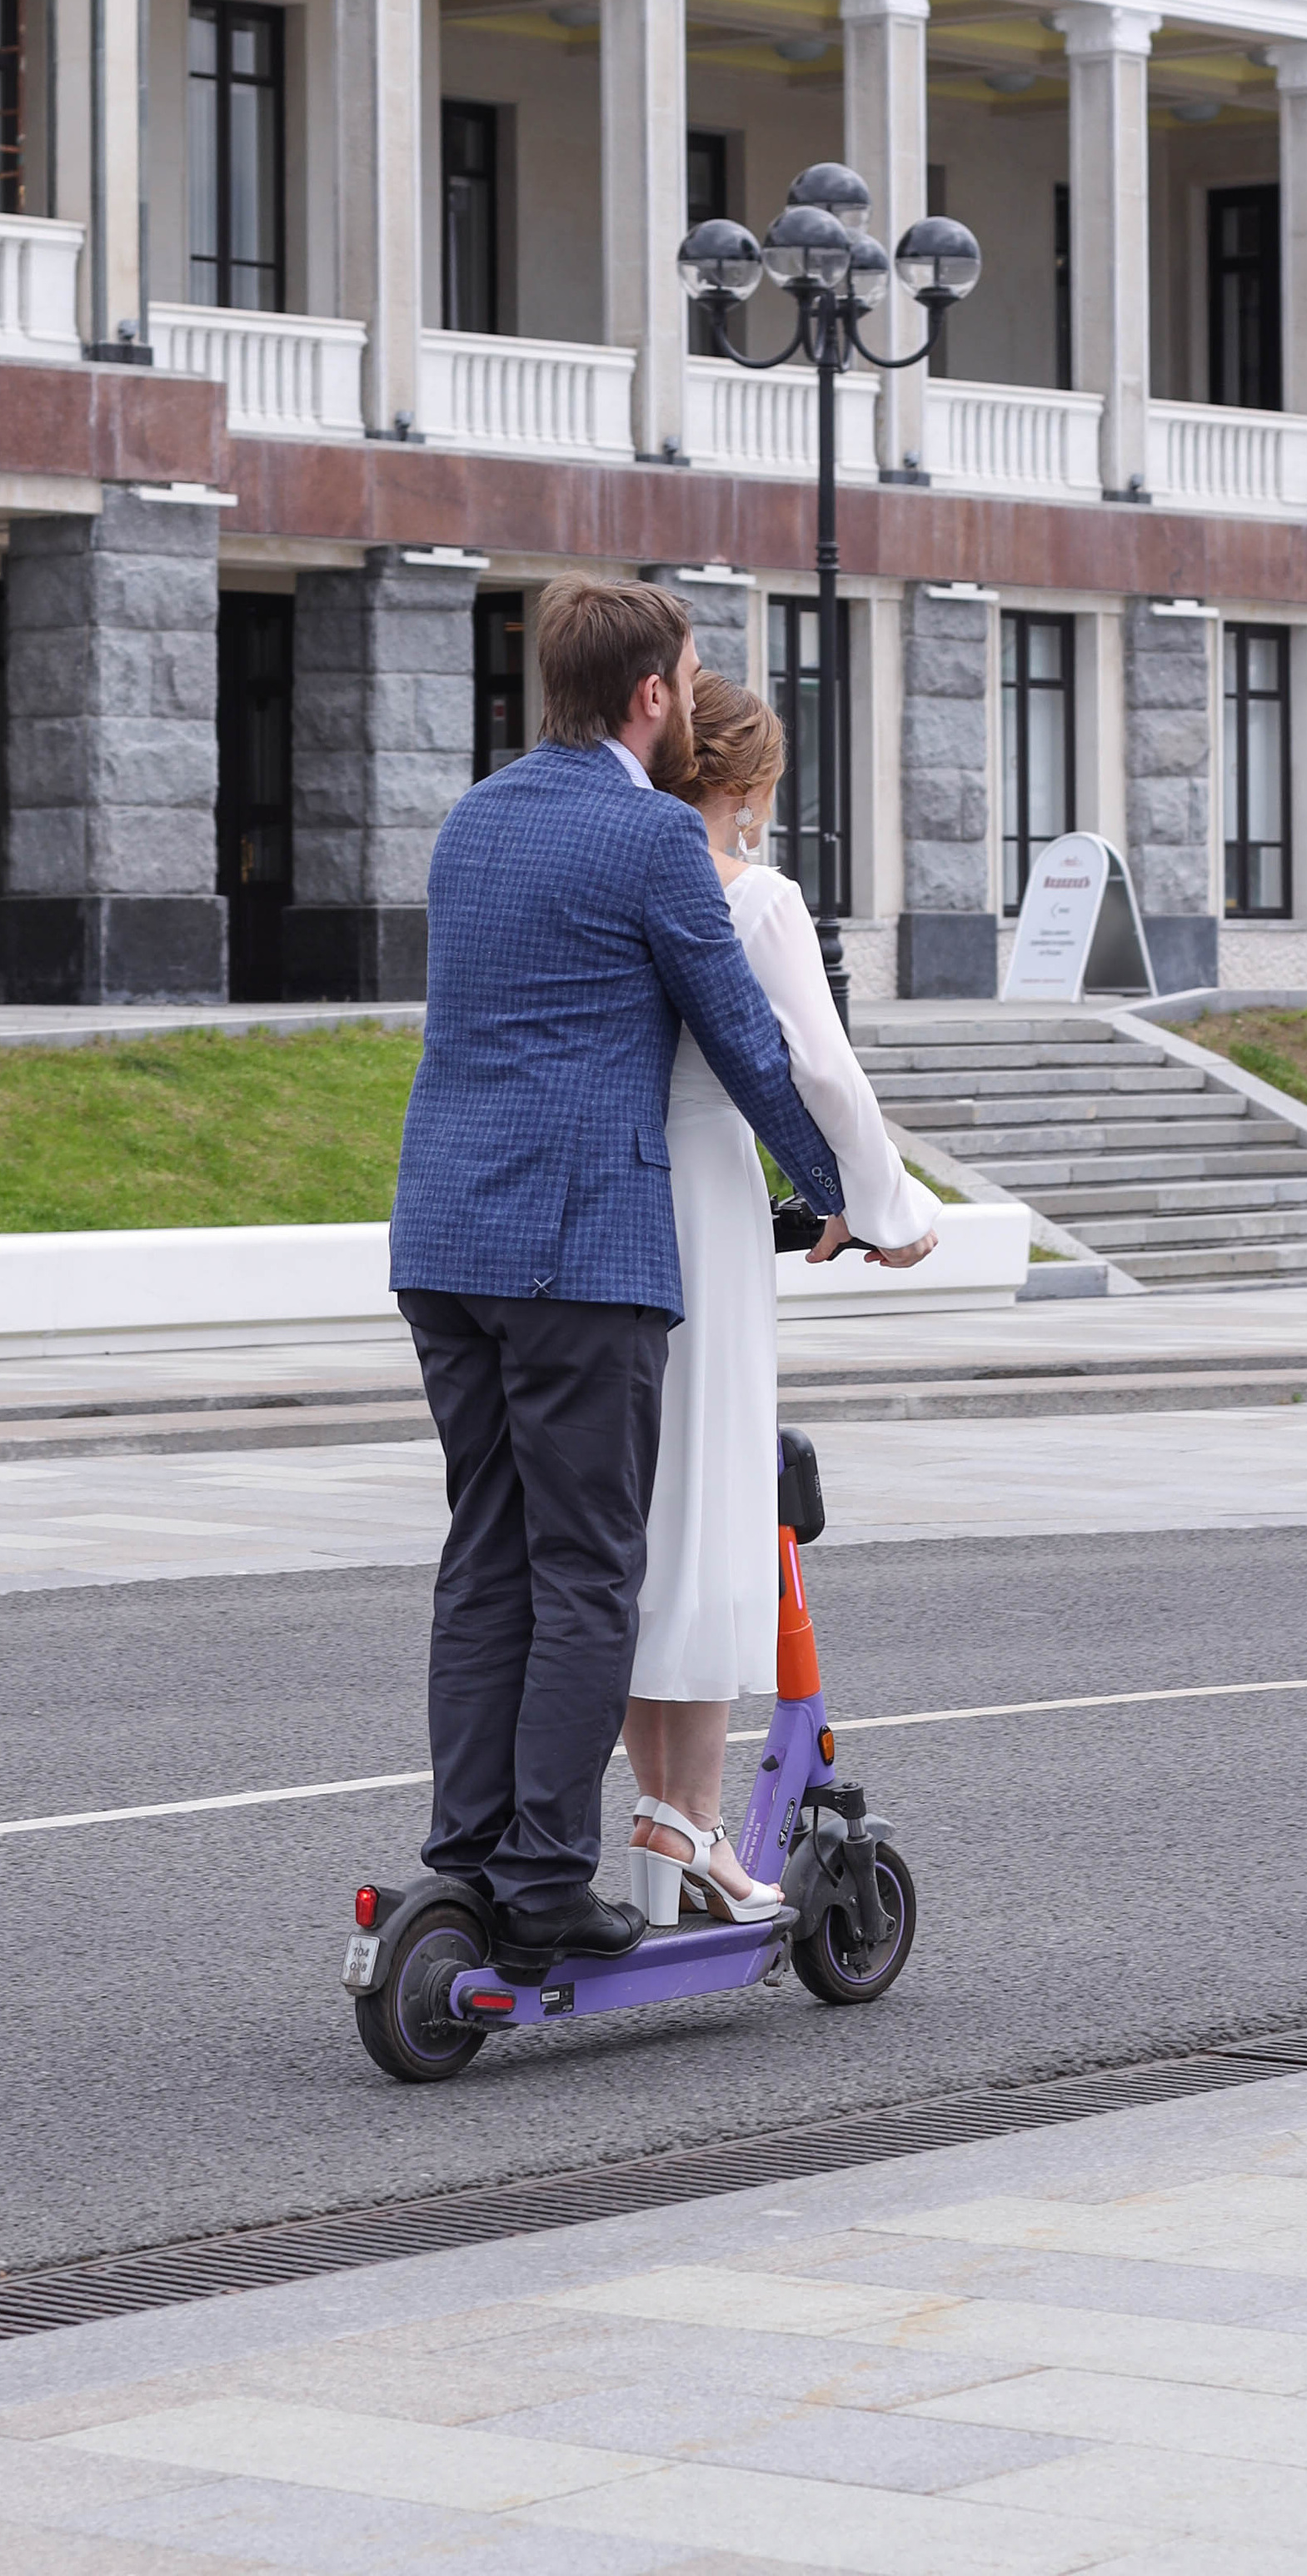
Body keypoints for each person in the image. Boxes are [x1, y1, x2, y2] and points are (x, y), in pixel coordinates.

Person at [390, 577, 851, 1971]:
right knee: (593, 1568)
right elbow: (748, 1045)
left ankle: (465, 1856)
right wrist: (834, 1197)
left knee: (487, 1559)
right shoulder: (652, 837)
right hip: (580, 1251)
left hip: (445, 1241)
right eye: (689, 673)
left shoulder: (475, 820)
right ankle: (540, 1879)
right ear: (653, 695)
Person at [623, 673, 940, 1926]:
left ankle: (660, 1822)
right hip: (704, 1194)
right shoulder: (754, 895)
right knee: (711, 1507)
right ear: (750, 791)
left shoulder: (624, 872)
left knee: (650, 1518)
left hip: (618, 1194)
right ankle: (694, 1826)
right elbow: (818, 1064)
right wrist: (892, 1210)